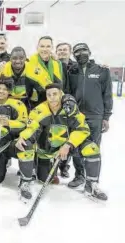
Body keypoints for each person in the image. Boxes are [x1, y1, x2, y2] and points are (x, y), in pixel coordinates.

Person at [15, 83, 107, 201]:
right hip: (48, 150)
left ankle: (92, 185)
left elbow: (83, 129)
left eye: (55, 94)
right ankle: (25, 182)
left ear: (60, 94)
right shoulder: (39, 111)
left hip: (68, 148)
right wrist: (23, 137)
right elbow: (31, 128)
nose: (52, 97)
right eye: (49, 95)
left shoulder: (70, 109)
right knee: (26, 145)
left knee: (92, 148)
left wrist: (68, 144)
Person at [64, 43, 113, 189]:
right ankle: (79, 175)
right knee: (77, 147)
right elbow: (67, 92)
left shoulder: (101, 71)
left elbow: (108, 94)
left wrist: (106, 116)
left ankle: (92, 181)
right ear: (74, 55)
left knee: (93, 148)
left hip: (96, 116)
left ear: (89, 52)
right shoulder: (71, 71)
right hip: (77, 116)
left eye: (83, 50)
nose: (81, 54)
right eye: (77, 52)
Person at [26, 36, 65, 108]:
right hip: (36, 104)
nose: (45, 49)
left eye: (48, 46)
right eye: (42, 46)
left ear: (52, 48)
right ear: (37, 47)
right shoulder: (29, 62)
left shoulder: (57, 63)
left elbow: (61, 84)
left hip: (55, 103)